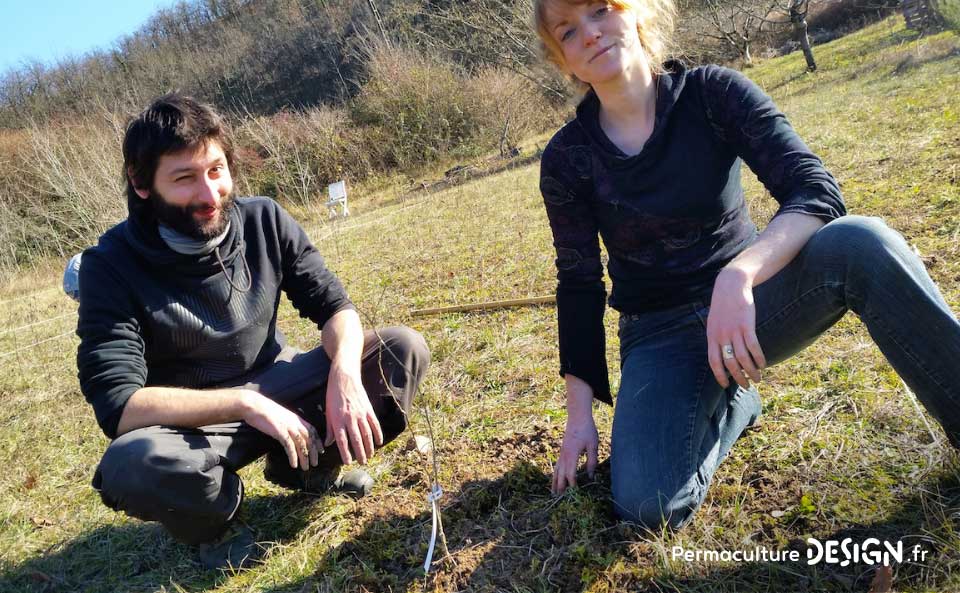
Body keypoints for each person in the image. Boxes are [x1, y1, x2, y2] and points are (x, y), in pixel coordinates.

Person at [534, 0, 960, 530]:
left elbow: (814, 191)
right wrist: (579, 416)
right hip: (658, 333)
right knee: (647, 508)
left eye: (601, 9)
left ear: (637, 13)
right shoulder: (566, 158)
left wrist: (740, 273)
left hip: (752, 306)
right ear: (563, 60)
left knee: (862, 243)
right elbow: (578, 283)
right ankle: (735, 405)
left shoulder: (713, 94)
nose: (591, 33)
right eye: (568, 31)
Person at [76, 93, 430, 569]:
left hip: (281, 383)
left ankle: (307, 467)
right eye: (184, 178)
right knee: (130, 464)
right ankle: (216, 518)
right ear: (142, 184)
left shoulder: (263, 218)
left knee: (399, 350)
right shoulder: (109, 267)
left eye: (216, 170)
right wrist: (246, 403)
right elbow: (120, 407)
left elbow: (335, 308)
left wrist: (344, 375)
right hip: (196, 425)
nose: (209, 194)